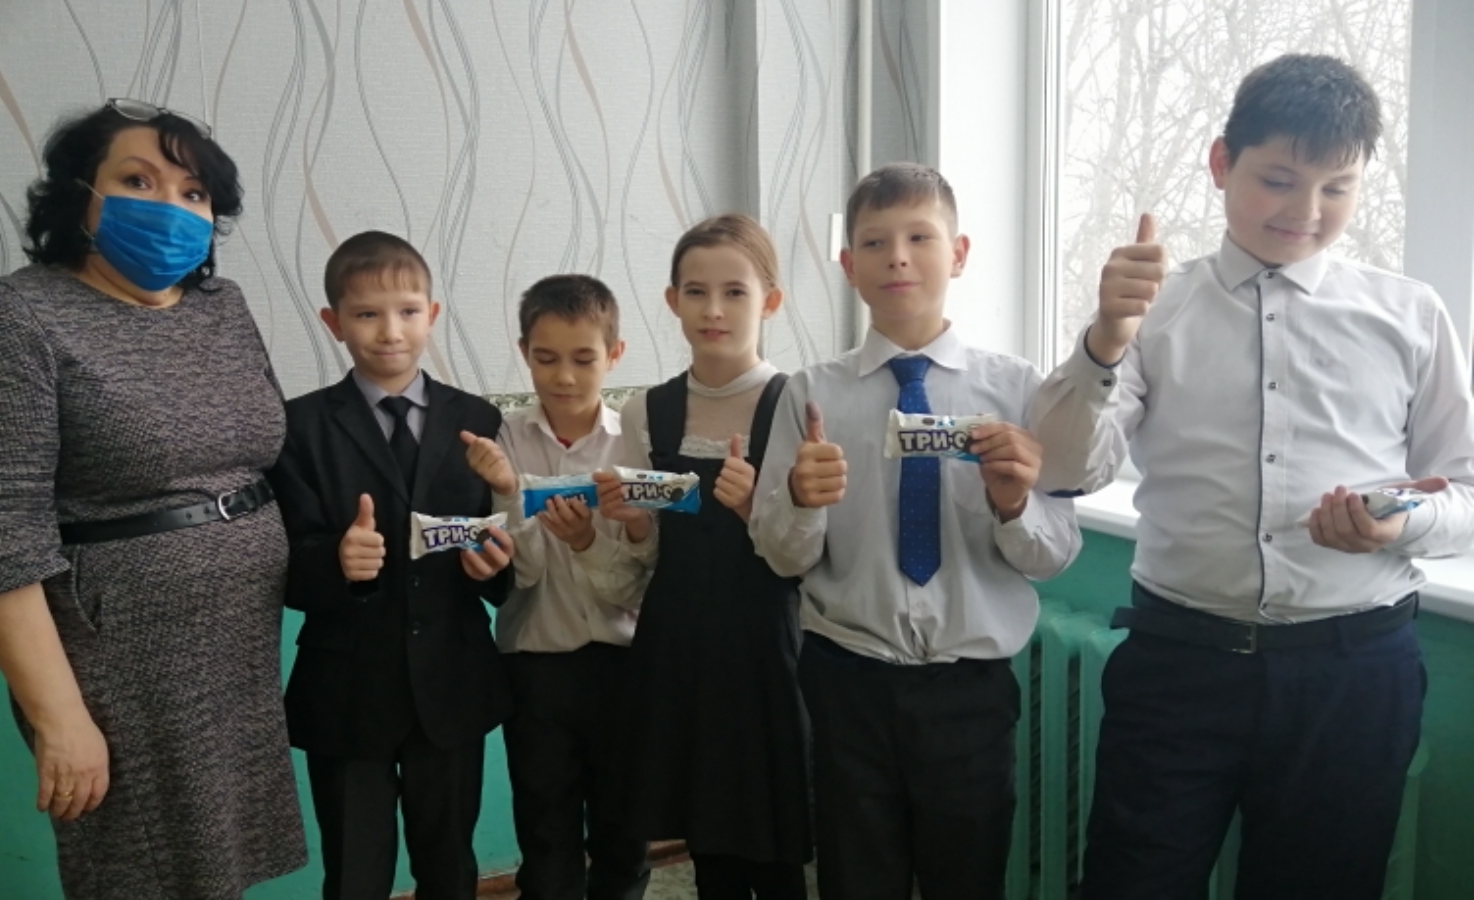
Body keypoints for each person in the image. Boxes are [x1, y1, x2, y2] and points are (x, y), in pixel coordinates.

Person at [1030, 54, 1474, 899]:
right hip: (1180, 664)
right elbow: (1061, 469)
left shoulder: (1410, 314)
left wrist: (1400, 523)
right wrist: (1105, 339)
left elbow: (1464, 494)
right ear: (1221, 163)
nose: (1306, 212)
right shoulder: (1155, 311)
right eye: (1278, 180)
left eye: (1337, 188)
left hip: (1353, 673)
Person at [0, 99, 306, 899]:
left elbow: (262, 453)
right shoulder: (13, 317)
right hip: (121, 658)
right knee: (140, 870)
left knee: (215, 863)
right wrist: (60, 719)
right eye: (138, 180)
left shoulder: (222, 309)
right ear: (80, 195)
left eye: (194, 192)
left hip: (239, 645)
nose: (171, 206)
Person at [751, 163, 1083, 900]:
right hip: (848, 685)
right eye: (874, 242)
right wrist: (800, 501)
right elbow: (780, 555)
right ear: (849, 266)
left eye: (919, 238)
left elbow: (1056, 554)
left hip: (971, 692)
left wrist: (1014, 505)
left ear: (958, 254)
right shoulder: (810, 395)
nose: (897, 257)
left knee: (967, 877)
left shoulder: (1018, 390)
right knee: (855, 876)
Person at [268, 230, 517, 900]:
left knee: (450, 865)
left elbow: (501, 543)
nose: (390, 331)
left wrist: (492, 568)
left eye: (408, 311)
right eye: (366, 313)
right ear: (334, 322)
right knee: (355, 872)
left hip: (452, 683)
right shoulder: (299, 427)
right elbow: (281, 567)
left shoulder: (478, 419)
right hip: (347, 691)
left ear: (431, 315)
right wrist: (336, 562)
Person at [601, 214, 812, 900]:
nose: (713, 310)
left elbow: (812, 552)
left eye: (735, 292)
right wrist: (634, 524)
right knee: (708, 837)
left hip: (768, 649)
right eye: (696, 292)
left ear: (770, 301)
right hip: (678, 648)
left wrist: (756, 509)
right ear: (673, 301)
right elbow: (639, 560)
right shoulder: (648, 411)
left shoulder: (796, 402)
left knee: (776, 842)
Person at [461, 274, 653, 900]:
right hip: (535, 665)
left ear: (615, 355)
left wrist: (589, 541)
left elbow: (640, 579)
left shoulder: (636, 443)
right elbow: (519, 573)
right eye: (545, 358)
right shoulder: (503, 441)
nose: (564, 377)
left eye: (583, 359)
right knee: (546, 836)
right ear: (524, 352)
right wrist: (509, 494)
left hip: (624, 665)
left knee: (625, 832)